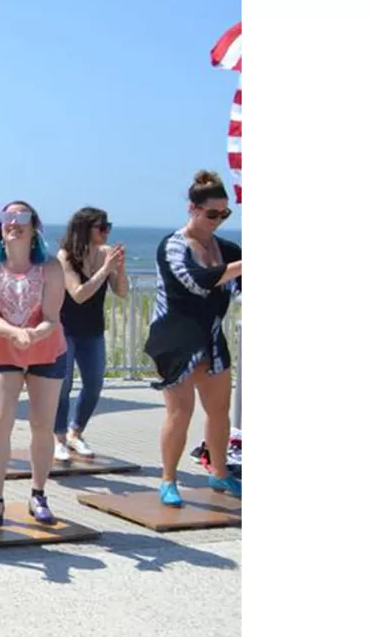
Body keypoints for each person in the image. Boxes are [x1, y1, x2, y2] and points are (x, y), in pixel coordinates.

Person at [147, 171, 243, 506]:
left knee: (220, 411)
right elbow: (197, 281)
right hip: (175, 341)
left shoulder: (229, 250)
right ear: (193, 209)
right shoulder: (172, 246)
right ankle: (168, 480)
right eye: (212, 214)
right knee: (180, 412)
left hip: (212, 339)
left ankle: (219, 472)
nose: (218, 220)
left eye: (224, 214)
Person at [0, 201, 68, 528]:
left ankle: (38, 493)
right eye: (7, 217)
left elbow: (53, 317)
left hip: (46, 348)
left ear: (34, 226)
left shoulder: (51, 267)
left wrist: (32, 334)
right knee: (0, 422)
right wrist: (15, 333)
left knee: (42, 425)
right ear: (0, 226)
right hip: (2, 347)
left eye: (22, 217)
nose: (14, 223)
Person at [53, 207, 128, 462]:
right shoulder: (65, 257)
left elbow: (121, 291)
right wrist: (105, 269)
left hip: (93, 329)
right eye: (101, 227)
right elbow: (79, 294)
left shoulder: (106, 255)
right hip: (65, 328)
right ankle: (59, 438)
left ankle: (76, 432)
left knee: (94, 383)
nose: (106, 232)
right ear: (85, 229)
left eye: (108, 226)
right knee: (62, 386)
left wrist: (119, 267)